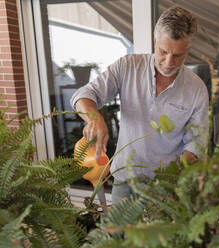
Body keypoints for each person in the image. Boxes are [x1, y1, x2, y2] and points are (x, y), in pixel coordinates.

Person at [70, 6, 209, 205]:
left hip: (165, 188)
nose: (169, 62)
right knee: (118, 235)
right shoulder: (128, 66)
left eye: (178, 55)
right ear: (155, 40)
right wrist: (95, 119)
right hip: (124, 180)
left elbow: (196, 143)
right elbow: (84, 95)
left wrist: (171, 180)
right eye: (163, 52)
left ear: (188, 50)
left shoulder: (196, 88)